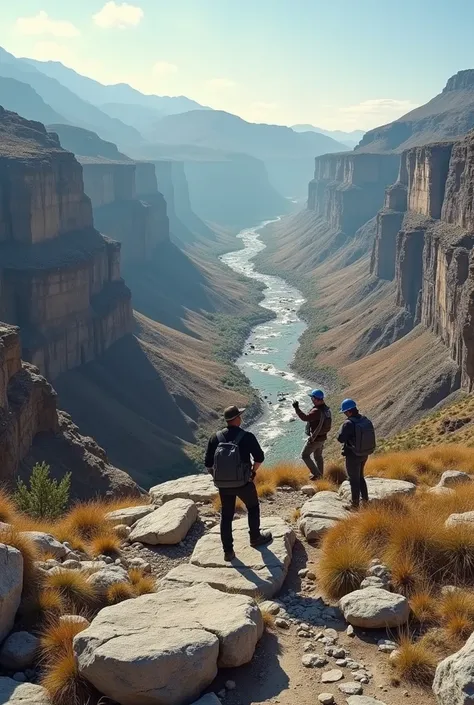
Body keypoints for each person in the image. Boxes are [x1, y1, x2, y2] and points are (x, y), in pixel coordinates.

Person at [205, 405, 273, 561]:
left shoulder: (215, 438)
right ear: (236, 419)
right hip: (243, 483)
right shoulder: (247, 436)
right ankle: (255, 538)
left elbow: (208, 463)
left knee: (226, 515)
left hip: (223, 486)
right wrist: (252, 473)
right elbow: (259, 458)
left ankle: (228, 551)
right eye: (240, 416)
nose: (241, 418)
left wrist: (219, 477)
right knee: (253, 507)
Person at [336, 398, 376, 509]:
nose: (344, 414)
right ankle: (365, 501)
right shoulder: (364, 419)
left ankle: (355, 505)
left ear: (349, 411)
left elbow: (340, 438)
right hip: (364, 453)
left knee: (353, 480)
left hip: (353, 455)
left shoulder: (348, 423)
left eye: (344, 412)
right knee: (360, 477)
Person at [292, 389, 332, 479]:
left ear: (316, 399)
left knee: (305, 455)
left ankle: (317, 475)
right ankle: (320, 475)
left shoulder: (317, 411)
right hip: (323, 438)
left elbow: (305, 418)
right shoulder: (326, 409)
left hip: (315, 439)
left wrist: (296, 408)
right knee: (318, 456)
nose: (312, 400)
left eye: (312, 398)